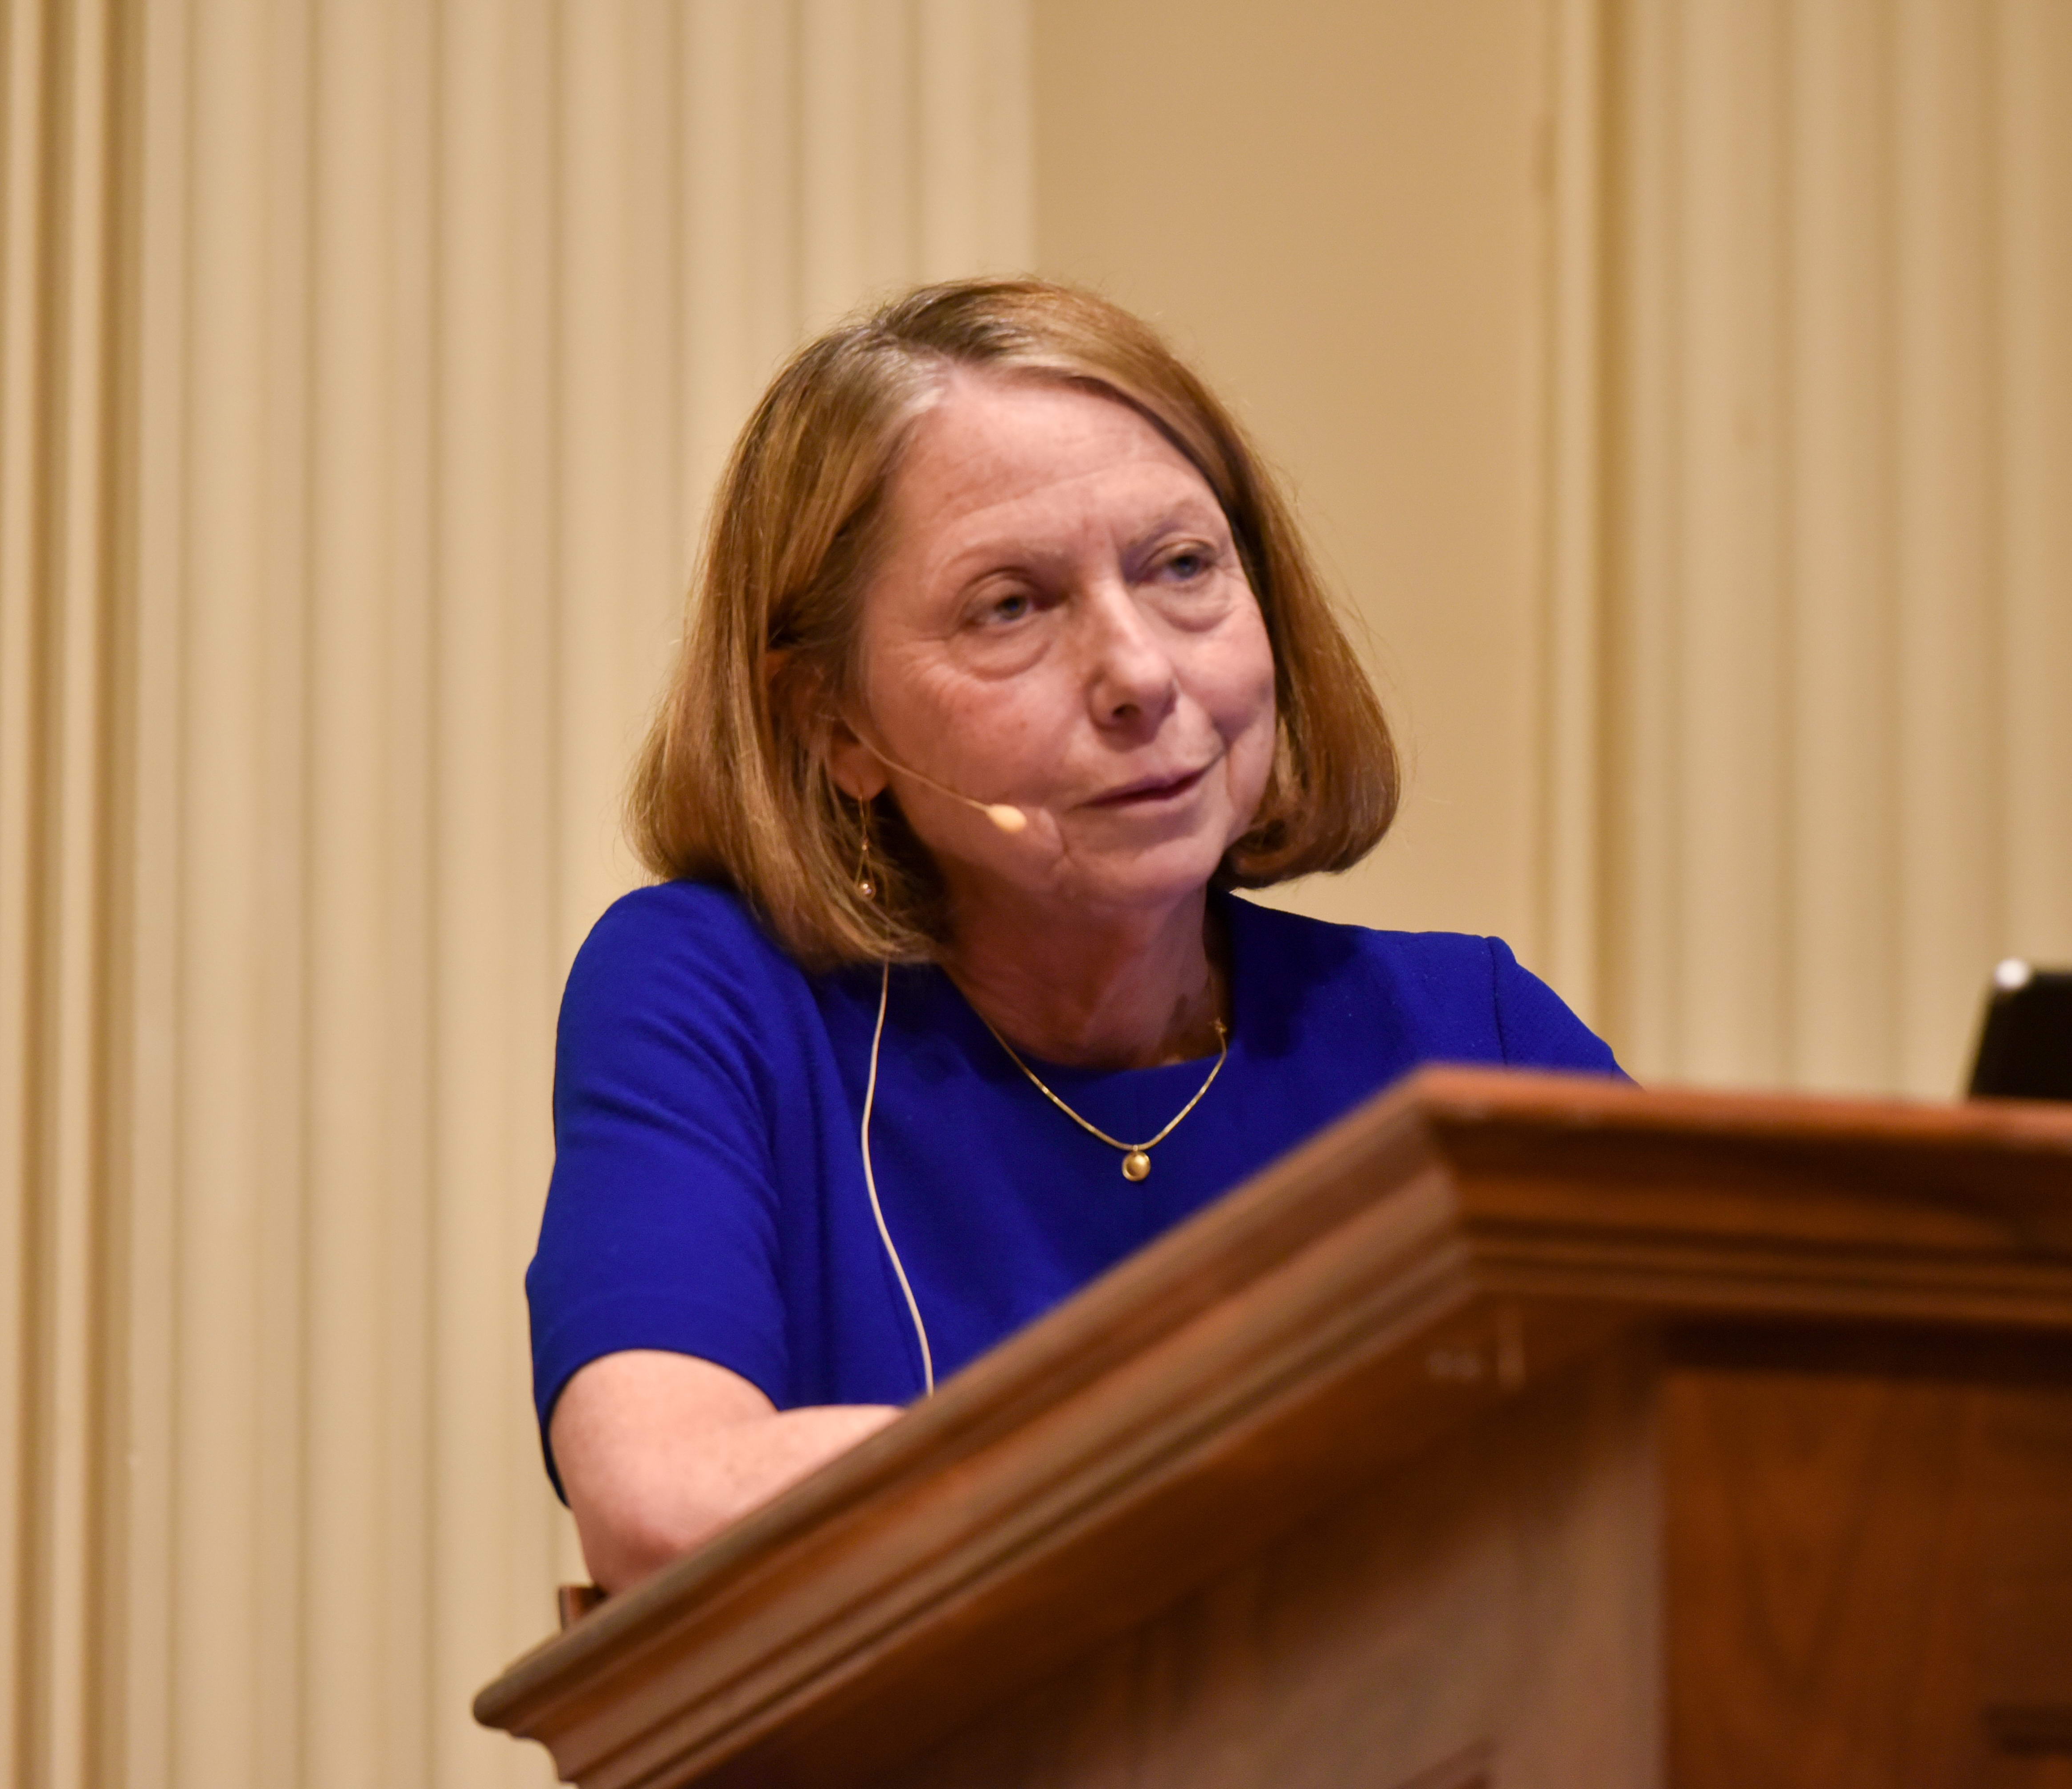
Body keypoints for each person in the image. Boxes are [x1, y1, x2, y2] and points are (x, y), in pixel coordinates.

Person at [529, 278, 1622, 1593]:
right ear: (833, 725)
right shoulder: (720, 997)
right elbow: (663, 1501)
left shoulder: (1463, 1033)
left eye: (1182, 569)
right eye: (1011, 607)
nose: (1141, 675)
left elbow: (1723, 1438)